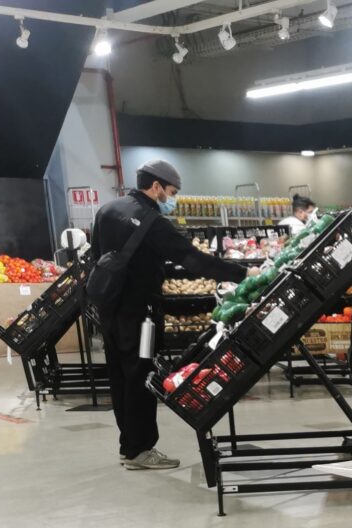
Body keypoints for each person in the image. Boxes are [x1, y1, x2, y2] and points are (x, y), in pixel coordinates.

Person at [91, 159, 252, 470]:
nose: (173, 199)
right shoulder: (153, 222)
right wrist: (243, 273)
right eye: (172, 192)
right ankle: (140, 450)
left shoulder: (107, 211)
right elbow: (193, 260)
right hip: (142, 314)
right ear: (156, 187)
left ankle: (128, 446)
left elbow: (97, 256)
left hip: (108, 308)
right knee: (141, 376)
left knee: (120, 377)